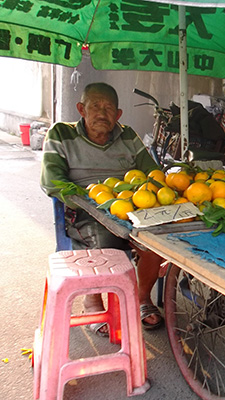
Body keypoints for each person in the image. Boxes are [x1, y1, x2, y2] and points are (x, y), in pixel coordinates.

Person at [40, 82, 164, 335]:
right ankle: (93, 302)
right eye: (95, 106)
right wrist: (91, 201)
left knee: (159, 241)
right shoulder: (61, 134)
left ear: (118, 115)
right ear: (81, 109)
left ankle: (142, 299)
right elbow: (51, 181)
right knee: (105, 239)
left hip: (131, 208)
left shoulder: (127, 135)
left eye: (109, 108)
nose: (101, 113)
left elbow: (154, 173)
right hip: (85, 211)